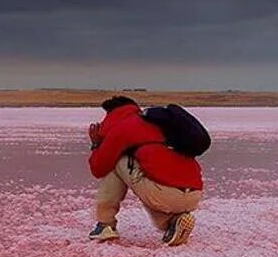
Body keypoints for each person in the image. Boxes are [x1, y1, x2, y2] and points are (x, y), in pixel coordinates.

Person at [86, 96, 203, 246]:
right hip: (194, 193)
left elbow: (98, 168)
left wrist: (96, 145)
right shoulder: (158, 122)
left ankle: (105, 224)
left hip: (164, 193)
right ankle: (174, 222)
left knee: (116, 162)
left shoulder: (122, 127)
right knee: (147, 175)